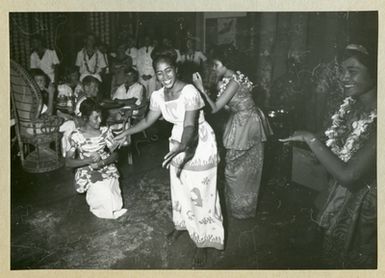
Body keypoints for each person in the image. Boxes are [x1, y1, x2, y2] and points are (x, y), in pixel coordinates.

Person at [115, 47, 224, 267]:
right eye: (159, 73)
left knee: (201, 193)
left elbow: (191, 124)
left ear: (176, 69)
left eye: (168, 71)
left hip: (198, 143)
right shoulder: (157, 95)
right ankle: (182, 225)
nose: (164, 77)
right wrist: (126, 132)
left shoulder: (190, 92)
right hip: (177, 142)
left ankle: (202, 242)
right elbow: (147, 121)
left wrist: (183, 146)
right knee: (180, 187)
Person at [279, 44, 377, 268]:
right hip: (341, 191)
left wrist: (310, 140)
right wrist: (316, 139)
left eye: (352, 71)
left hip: (368, 202)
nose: (343, 77)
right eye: (341, 71)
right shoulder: (354, 104)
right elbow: (338, 135)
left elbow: (350, 176)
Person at [193, 44, 273, 219]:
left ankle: (241, 210)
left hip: (247, 124)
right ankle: (240, 208)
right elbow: (231, 105)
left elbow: (214, 109)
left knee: (238, 168)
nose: (214, 68)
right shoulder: (234, 78)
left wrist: (200, 88)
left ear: (225, 63)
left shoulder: (235, 81)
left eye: (216, 65)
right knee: (241, 167)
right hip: (246, 120)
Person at [65, 98, 127, 219]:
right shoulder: (76, 136)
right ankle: (96, 205)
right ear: (85, 118)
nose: (100, 120)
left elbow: (115, 155)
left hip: (106, 166)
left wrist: (102, 163)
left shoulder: (105, 132)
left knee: (114, 198)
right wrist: (88, 161)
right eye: (96, 117)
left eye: (100, 116)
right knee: (104, 194)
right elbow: (68, 162)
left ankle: (109, 207)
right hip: (88, 170)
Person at [136, 35, 156, 100]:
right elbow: (138, 64)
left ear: (150, 41)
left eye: (148, 40)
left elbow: (155, 63)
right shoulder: (139, 50)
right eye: (145, 40)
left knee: (152, 94)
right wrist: (142, 74)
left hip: (152, 75)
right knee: (142, 93)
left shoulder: (154, 50)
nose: (146, 41)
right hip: (142, 75)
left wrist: (151, 74)